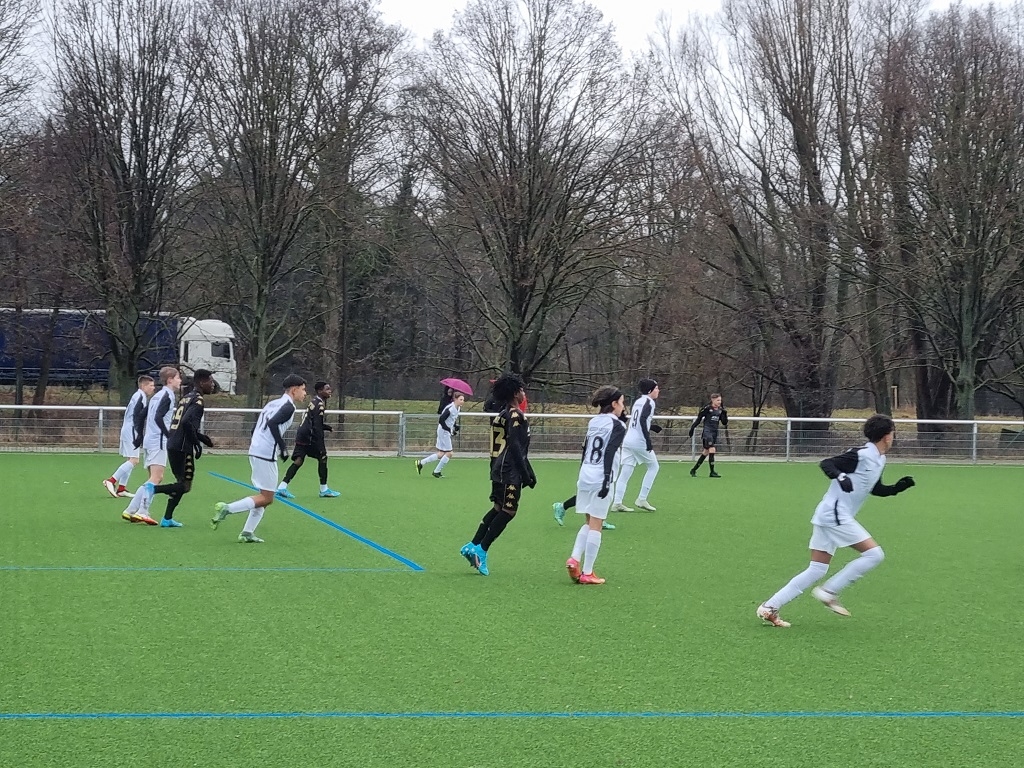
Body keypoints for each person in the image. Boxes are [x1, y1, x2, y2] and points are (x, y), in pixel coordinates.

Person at [756, 414, 916, 627]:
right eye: (893, 434)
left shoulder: (880, 459)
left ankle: (769, 607)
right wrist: (841, 477)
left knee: (817, 569)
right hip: (835, 514)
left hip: (829, 515)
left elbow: (875, 488)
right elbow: (827, 464)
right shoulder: (861, 454)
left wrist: (896, 488)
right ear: (887, 436)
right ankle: (829, 591)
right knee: (875, 555)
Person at [211, 374, 307, 543]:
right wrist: (282, 447)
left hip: (256, 449)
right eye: (303, 389)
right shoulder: (288, 407)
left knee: (263, 495)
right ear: (294, 390)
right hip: (266, 453)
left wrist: (258, 443)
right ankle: (227, 508)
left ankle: (247, 533)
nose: (305, 393)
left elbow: (256, 427)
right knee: (267, 498)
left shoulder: (272, 403)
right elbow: (272, 424)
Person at [460, 373, 535, 576]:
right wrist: (525, 474)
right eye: (521, 390)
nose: (524, 393)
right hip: (509, 470)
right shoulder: (515, 415)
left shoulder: (502, 414)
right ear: (515, 393)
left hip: (498, 468)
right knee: (509, 511)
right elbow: (516, 447)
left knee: (498, 507)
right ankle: (481, 550)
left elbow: (516, 447)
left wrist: (530, 472)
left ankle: (472, 545)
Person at [566, 386, 627, 585]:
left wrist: (582, 472)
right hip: (601, 476)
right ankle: (587, 572)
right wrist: (607, 478)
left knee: (588, 521)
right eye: (622, 402)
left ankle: (574, 559)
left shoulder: (593, 422)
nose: (623, 406)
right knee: (597, 524)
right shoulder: (618, 426)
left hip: (585, 474)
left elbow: (585, 450)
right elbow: (609, 452)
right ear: (614, 404)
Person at [143, 369, 216, 527]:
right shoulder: (198, 401)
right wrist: (196, 443)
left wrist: (202, 438)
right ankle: (152, 489)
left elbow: (184, 423)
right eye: (210, 381)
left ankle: (167, 518)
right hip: (182, 447)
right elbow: (186, 422)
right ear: (202, 382)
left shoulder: (187, 397)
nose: (212, 384)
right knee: (185, 485)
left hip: (173, 444)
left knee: (181, 483)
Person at [121, 366, 181, 525]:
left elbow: (141, 415)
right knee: (157, 477)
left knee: (152, 478)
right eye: (178, 378)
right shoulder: (167, 395)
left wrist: (140, 436)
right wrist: (168, 435)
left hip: (150, 440)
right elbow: (158, 417)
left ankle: (130, 510)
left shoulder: (156, 396)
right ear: (170, 380)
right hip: (158, 441)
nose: (180, 381)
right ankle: (143, 511)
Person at [277, 381, 340, 499]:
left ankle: (282, 487)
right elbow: (316, 425)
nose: (329, 391)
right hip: (309, 436)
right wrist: (320, 443)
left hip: (302, 434)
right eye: (327, 389)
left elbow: (313, 421)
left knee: (299, 460)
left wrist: (327, 427)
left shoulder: (314, 401)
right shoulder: (319, 404)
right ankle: (324, 489)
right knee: (323, 458)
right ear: (320, 391)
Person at [610, 378, 662, 512]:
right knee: (654, 467)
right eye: (656, 388)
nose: (658, 390)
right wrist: (648, 440)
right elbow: (642, 420)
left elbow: (638, 420)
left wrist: (651, 427)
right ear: (650, 390)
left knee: (626, 471)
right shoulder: (649, 402)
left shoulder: (638, 401)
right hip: (639, 441)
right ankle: (642, 499)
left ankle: (617, 502)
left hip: (628, 439)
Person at [103, 374, 155, 498]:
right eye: (151, 385)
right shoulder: (140, 396)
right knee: (134, 460)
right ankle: (111, 480)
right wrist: (139, 433)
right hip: (132, 430)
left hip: (129, 429)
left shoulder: (138, 395)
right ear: (143, 386)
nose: (153, 388)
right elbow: (137, 415)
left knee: (130, 460)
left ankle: (121, 489)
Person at [415, 388, 466, 478]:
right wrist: (448, 429)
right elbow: (441, 419)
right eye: (460, 399)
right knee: (449, 453)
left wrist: (455, 426)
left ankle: (421, 463)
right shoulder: (450, 409)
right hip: (443, 431)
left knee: (441, 453)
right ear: (455, 399)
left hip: (444, 431)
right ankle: (436, 471)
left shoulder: (457, 408)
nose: (462, 401)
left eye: (463, 400)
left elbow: (451, 419)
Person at [689, 393, 728, 478]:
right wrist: (692, 428)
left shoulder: (720, 410)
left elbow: (724, 422)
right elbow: (699, 419)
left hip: (714, 433)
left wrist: (725, 414)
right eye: (718, 400)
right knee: (712, 449)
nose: (719, 402)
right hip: (707, 432)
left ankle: (693, 470)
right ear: (712, 400)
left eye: (720, 400)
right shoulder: (707, 409)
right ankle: (712, 472)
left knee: (706, 452)